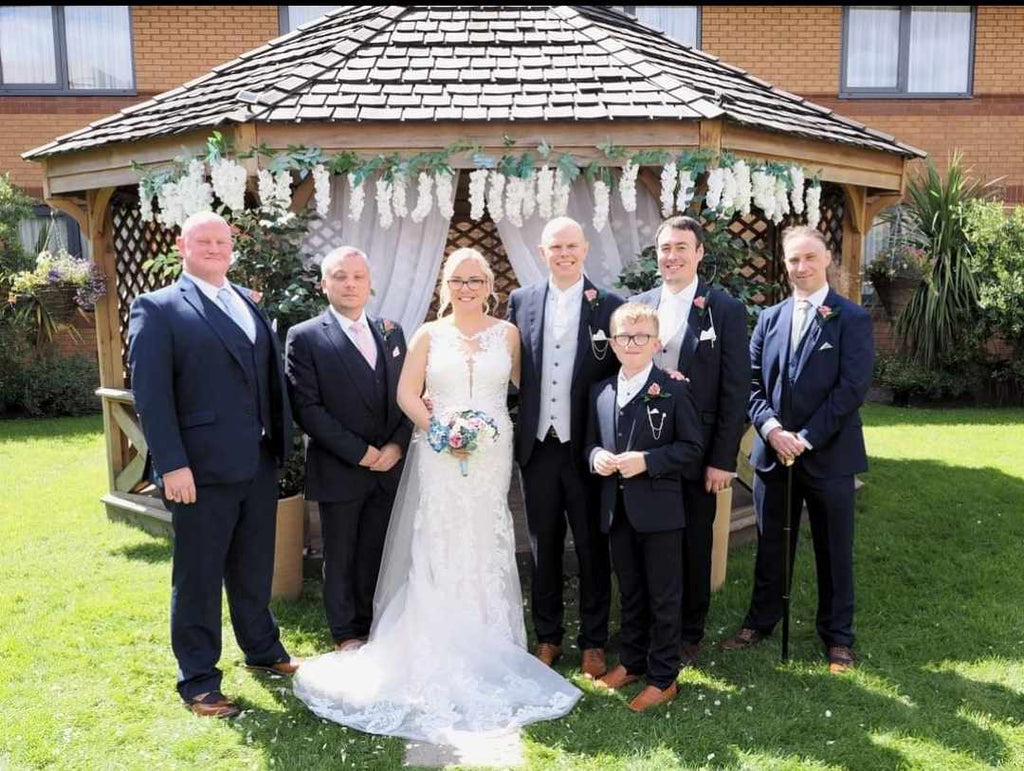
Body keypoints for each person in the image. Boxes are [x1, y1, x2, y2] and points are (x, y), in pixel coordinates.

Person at [293, 248, 581, 745]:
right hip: (440, 450)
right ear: (444, 287)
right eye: (456, 281)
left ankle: (493, 635)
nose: (466, 288)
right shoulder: (427, 334)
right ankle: (432, 634)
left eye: (475, 280)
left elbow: (532, 388)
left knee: (486, 534)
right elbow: (408, 394)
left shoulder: (508, 335)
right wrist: (440, 429)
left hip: (492, 453)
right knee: (440, 535)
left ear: (490, 284)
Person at [127, 211, 300, 719]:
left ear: (232, 247)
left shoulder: (246, 299)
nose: (214, 247)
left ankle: (263, 650)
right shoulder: (156, 308)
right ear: (182, 245)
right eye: (203, 240)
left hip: (257, 461)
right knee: (199, 577)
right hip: (198, 470)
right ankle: (199, 680)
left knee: (253, 567)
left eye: (222, 241)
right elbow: (152, 396)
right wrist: (172, 464)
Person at [721, 226, 873, 673]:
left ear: (827, 259)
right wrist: (770, 430)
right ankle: (760, 621)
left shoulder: (851, 319)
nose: (801, 267)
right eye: (792, 260)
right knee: (771, 545)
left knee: (834, 549)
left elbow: (851, 389)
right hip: (773, 454)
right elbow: (749, 383)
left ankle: (838, 638)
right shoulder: (769, 319)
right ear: (784, 265)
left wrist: (804, 438)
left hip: (829, 456)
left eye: (809, 257)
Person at [506, 216, 624, 678]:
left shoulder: (610, 304)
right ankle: (548, 636)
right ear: (542, 252)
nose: (564, 254)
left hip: (588, 449)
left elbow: (620, 375)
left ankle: (593, 641)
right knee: (543, 546)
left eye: (572, 246)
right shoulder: (522, 301)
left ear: (585, 248)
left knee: (594, 547)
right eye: (556, 247)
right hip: (539, 447)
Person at [634, 216, 751, 664]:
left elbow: (735, 388)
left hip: (699, 448)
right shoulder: (639, 304)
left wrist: (723, 459)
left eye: (682, 247)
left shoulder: (722, 309)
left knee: (692, 539)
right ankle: (645, 622)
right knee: (648, 536)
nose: (672, 256)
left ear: (699, 253)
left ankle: (688, 631)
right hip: (645, 445)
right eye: (665, 248)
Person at [285, 247, 411, 651]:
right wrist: (362, 453)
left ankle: (376, 623)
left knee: (378, 549)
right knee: (340, 555)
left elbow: (410, 394)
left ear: (370, 283)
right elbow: (307, 408)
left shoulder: (392, 332)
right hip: (341, 467)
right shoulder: (304, 337)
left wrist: (395, 445)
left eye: (358, 276)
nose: (350, 283)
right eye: (340, 276)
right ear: (324, 284)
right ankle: (346, 632)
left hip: (389, 466)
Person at [585, 302, 704, 711]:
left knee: (664, 595)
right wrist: (596, 456)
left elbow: (691, 447)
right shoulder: (600, 391)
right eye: (623, 337)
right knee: (631, 590)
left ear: (655, 343)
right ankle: (632, 661)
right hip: (615, 509)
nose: (631, 344)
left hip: (660, 511)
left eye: (640, 337)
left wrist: (649, 462)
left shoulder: (673, 389)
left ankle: (664, 676)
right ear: (613, 343)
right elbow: (589, 443)